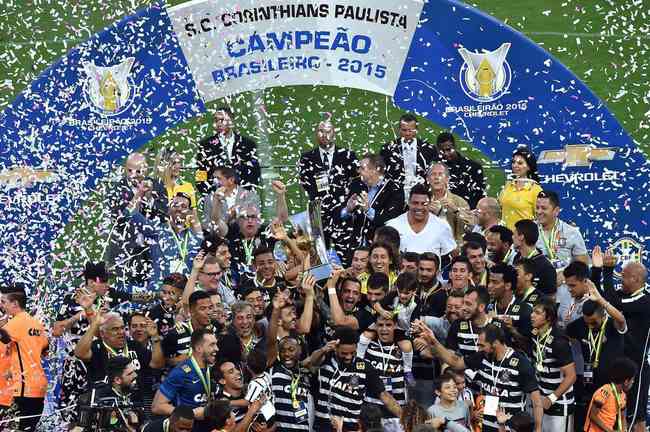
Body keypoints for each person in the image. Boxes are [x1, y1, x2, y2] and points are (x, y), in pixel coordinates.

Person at [416, 323, 543, 432]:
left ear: (495, 343)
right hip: (488, 424)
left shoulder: (521, 364)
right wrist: (434, 341)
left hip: (511, 426)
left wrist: (537, 429)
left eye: (482, 345)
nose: (479, 348)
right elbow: (455, 362)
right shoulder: (482, 357)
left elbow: (536, 402)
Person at [312, 326, 403, 431]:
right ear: (335, 347)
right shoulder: (324, 359)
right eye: (344, 353)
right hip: (322, 426)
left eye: (352, 353)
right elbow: (310, 362)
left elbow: (384, 395)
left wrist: (404, 417)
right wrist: (323, 350)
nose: (349, 357)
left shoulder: (364, 367)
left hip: (350, 428)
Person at [597, 252, 650, 432]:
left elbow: (614, 304)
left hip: (637, 367)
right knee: (619, 413)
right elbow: (603, 296)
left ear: (635, 279)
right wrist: (598, 270)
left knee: (637, 417)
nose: (620, 279)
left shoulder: (645, 300)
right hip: (619, 363)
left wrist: (608, 271)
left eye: (624, 276)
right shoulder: (623, 294)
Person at [104, 151, 168, 286]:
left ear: (146, 169)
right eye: (130, 170)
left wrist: (150, 198)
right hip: (126, 251)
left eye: (138, 171)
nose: (134, 175)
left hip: (151, 252)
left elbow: (163, 218)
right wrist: (139, 195)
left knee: (152, 291)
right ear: (124, 170)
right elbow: (120, 221)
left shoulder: (157, 186)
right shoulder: (116, 190)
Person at [566, 294, 627, 432]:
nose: (590, 325)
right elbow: (566, 334)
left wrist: (602, 301)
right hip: (588, 384)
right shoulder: (580, 325)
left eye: (594, 322)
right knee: (586, 423)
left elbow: (621, 320)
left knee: (609, 420)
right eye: (587, 322)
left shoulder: (613, 325)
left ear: (603, 314)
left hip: (610, 386)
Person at [298, 115, 359, 246]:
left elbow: (356, 181)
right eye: (321, 131)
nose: (324, 135)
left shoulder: (348, 155)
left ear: (334, 133)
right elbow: (305, 183)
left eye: (328, 131)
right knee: (319, 251)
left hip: (343, 209)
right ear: (316, 134)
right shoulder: (306, 158)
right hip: (317, 210)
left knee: (344, 248)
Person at [0, 283, 48, 432]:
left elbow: (3, 338)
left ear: (15, 303)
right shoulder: (37, 324)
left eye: (3, 302)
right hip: (39, 386)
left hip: (23, 389)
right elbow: (45, 350)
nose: (2, 306)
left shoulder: (16, 323)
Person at [152, 328, 220, 432]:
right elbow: (157, 406)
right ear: (199, 348)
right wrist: (191, 413)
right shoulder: (180, 372)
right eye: (212, 345)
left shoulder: (210, 369)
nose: (217, 349)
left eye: (216, 344)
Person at [131, 191, 203, 287]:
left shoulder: (194, 239)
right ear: (168, 209)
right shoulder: (155, 229)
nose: (179, 209)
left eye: (184, 206)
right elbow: (132, 214)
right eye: (175, 205)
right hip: (159, 292)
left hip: (185, 293)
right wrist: (140, 192)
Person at [337, 153, 404, 257]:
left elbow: (389, 221)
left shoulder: (394, 189)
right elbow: (339, 215)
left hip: (379, 251)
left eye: (362, 168)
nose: (358, 171)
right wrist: (347, 210)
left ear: (375, 170)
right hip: (353, 249)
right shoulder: (355, 184)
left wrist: (368, 210)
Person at [529, 298, 576, 432]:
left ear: (548, 317)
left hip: (560, 403)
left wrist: (552, 398)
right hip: (542, 400)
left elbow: (571, 376)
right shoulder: (535, 334)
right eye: (533, 311)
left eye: (537, 313)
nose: (532, 315)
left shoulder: (558, 341)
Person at [225, 181, 289, 271]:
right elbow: (218, 227)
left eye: (253, 217)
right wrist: (229, 216)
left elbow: (281, 219)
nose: (250, 221)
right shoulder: (232, 232)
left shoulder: (264, 231)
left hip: (264, 276)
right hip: (238, 279)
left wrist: (280, 195)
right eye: (245, 217)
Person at [195, 106, 261, 193]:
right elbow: (200, 174)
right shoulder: (205, 145)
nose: (218, 124)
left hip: (242, 198)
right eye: (216, 120)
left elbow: (255, 172)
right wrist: (211, 194)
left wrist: (243, 193)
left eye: (222, 120)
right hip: (215, 198)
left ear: (231, 121)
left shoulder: (248, 144)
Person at [386, 183, 456, 256]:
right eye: (415, 203)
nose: (419, 207)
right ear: (408, 203)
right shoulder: (393, 226)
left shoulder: (442, 226)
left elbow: (452, 254)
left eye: (424, 204)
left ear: (430, 204)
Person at [380, 113, 439, 199]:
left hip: (421, 193)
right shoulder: (387, 149)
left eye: (410, 130)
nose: (407, 133)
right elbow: (383, 173)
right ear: (399, 130)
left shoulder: (429, 149)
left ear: (416, 130)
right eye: (404, 130)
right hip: (395, 193)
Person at [360, 314, 408, 416]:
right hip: (371, 408)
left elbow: (409, 372)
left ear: (395, 325)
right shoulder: (368, 345)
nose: (384, 329)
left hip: (396, 409)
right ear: (375, 326)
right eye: (380, 325)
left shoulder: (402, 347)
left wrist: (411, 384)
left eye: (388, 325)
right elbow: (356, 371)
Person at [78, 356, 142, 431]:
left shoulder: (136, 393)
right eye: (130, 373)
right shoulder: (98, 399)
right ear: (117, 380)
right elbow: (80, 428)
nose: (135, 375)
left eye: (134, 371)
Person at [486, 263, 533, 350]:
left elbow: (529, 347)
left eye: (495, 282)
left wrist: (512, 330)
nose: (489, 286)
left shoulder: (525, 310)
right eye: (489, 281)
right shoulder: (487, 308)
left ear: (508, 285)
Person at [584, 357, 637, 432]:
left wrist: (624, 430)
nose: (633, 382)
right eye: (632, 380)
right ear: (626, 381)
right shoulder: (605, 392)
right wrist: (609, 430)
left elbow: (622, 417)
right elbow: (592, 415)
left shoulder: (623, 396)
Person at [162, 290, 215, 367]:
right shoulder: (176, 333)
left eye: (210, 308)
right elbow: (161, 361)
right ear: (191, 311)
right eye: (203, 309)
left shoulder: (215, 330)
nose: (208, 312)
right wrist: (175, 361)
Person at [435, 132, 486, 209]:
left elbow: (480, 195)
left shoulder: (474, 167)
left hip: (466, 214)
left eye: (448, 150)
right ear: (438, 150)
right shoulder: (435, 168)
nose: (446, 154)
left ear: (455, 146)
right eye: (442, 151)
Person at [498, 147, 542, 230]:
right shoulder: (508, 185)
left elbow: (540, 218)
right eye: (514, 162)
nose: (515, 165)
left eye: (520, 163)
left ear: (529, 167)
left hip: (523, 238)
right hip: (505, 237)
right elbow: (500, 209)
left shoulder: (536, 190)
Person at [427, 162, 471, 244]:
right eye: (433, 174)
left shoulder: (459, 202)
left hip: (453, 247)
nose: (437, 177)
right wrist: (426, 212)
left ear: (447, 179)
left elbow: (470, 226)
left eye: (440, 174)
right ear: (428, 179)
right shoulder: (422, 201)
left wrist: (456, 210)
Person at [512, 219, 557, 297]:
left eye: (514, 234)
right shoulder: (517, 258)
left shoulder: (546, 267)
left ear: (521, 237)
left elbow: (551, 299)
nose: (512, 237)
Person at [147, 272, 187, 337]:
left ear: (182, 294)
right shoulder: (155, 312)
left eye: (172, 293)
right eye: (164, 292)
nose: (166, 298)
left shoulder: (191, 311)